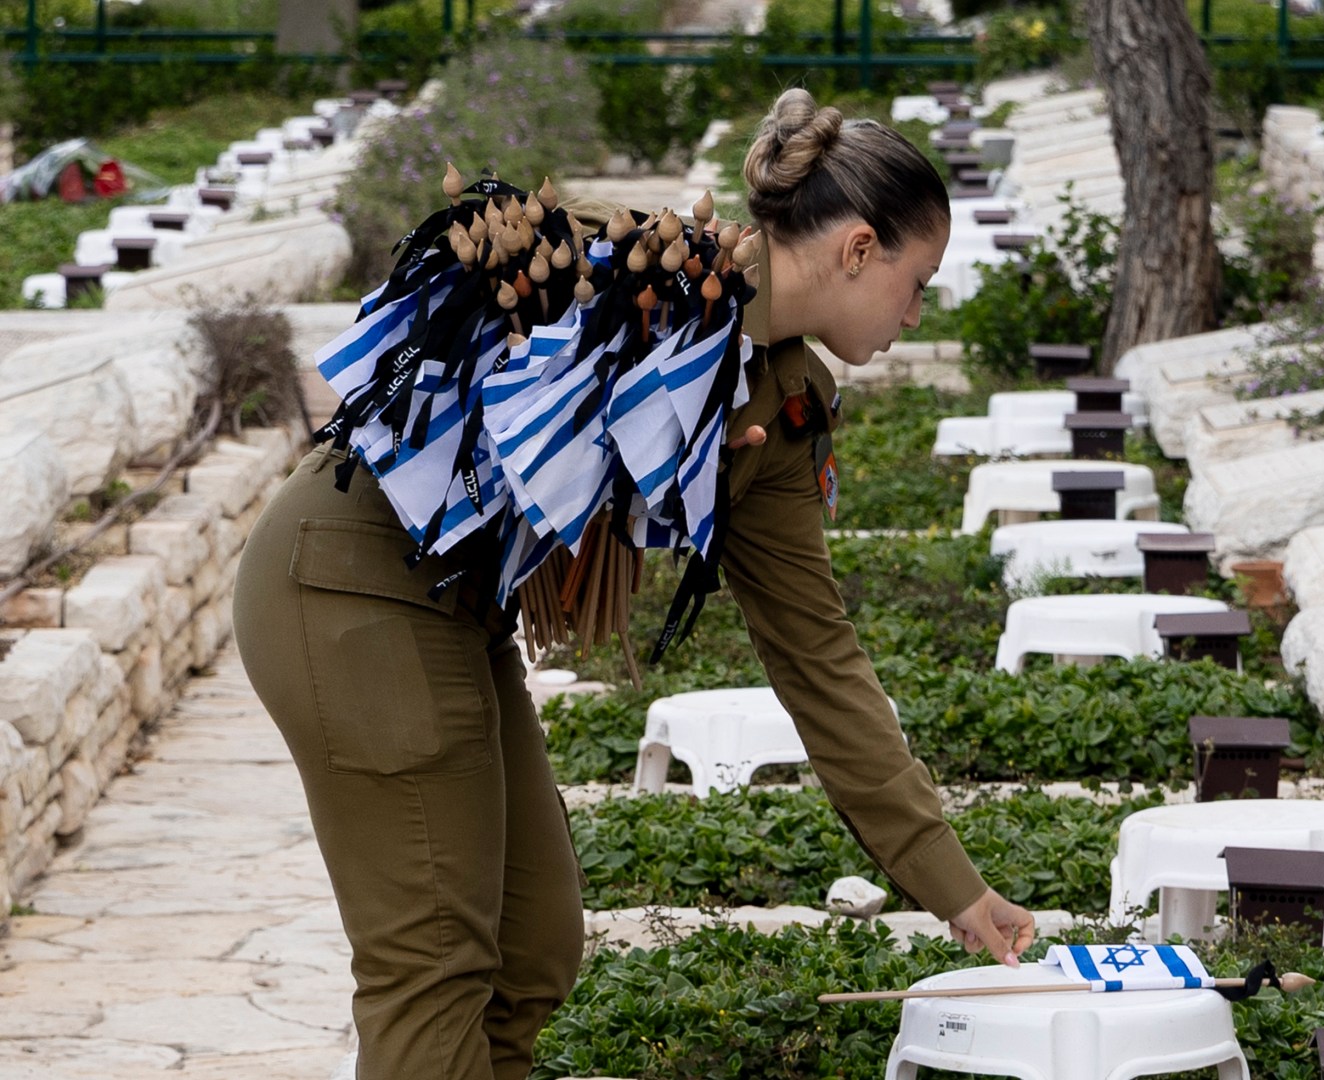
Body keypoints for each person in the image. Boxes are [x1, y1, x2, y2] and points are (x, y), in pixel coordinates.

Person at [230, 86, 1037, 1080]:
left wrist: (956, 889)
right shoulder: (630, 273)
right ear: (859, 249)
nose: (915, 314)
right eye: (917, 284)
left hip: (456, 610)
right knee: (432, 966)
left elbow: (820, 661)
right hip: (347, 587)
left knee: (532, 952)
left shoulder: (781, 404)